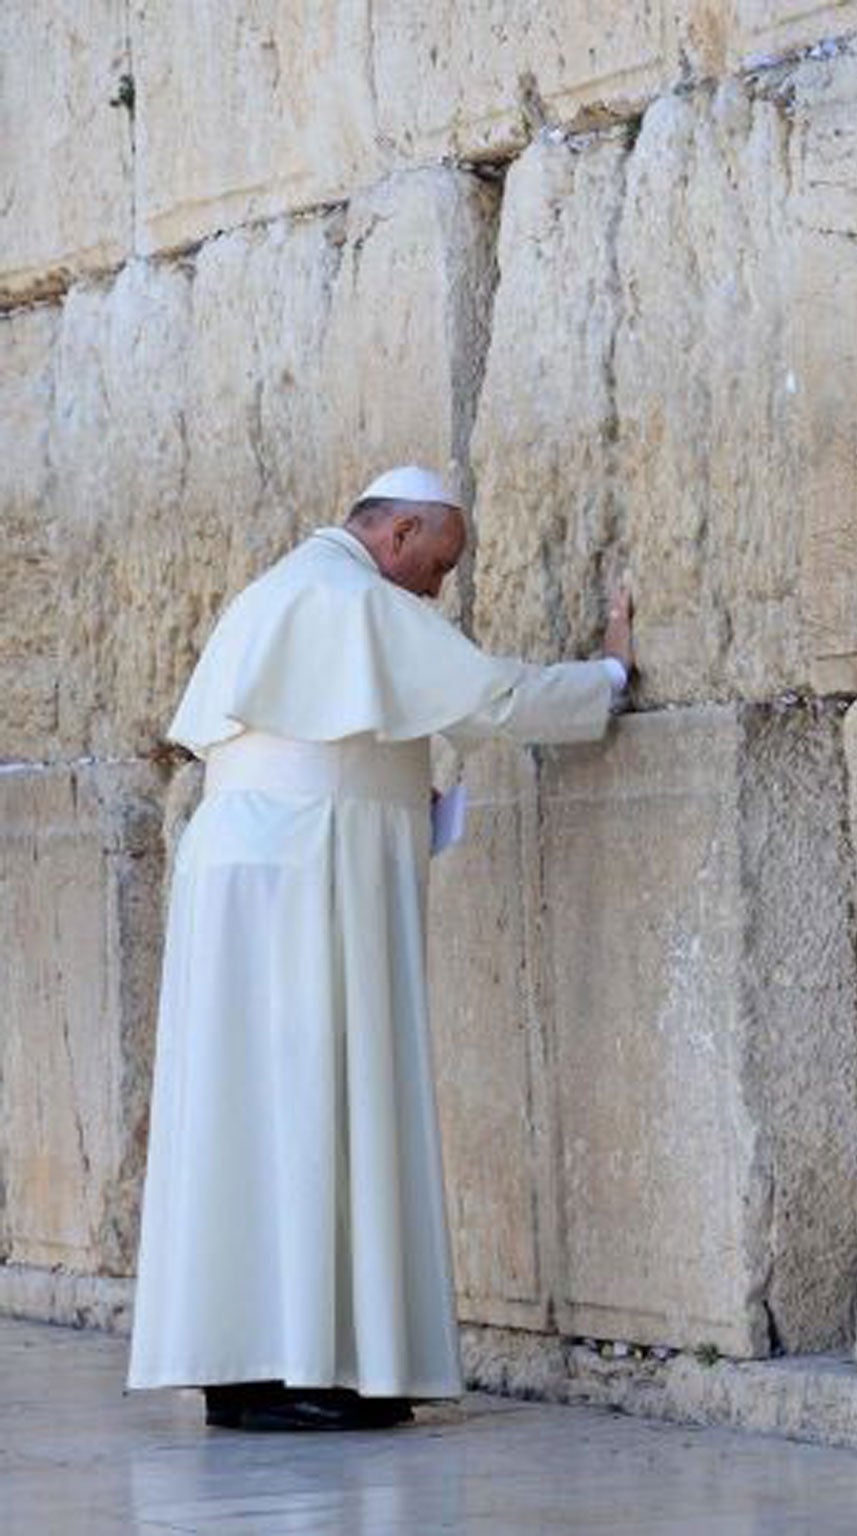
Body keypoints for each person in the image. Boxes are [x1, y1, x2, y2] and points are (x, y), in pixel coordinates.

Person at [126, 466, 633, 1431]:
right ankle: (305, 1368)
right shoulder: (353, 594)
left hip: (240, 865)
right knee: (314, 1104)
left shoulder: (274, 591)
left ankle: (245, 1374)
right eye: (438, 566)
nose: (436, 591)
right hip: (308, 872)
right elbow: (489, 700)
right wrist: (606, 675)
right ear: (400, 531)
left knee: (244, 1113)